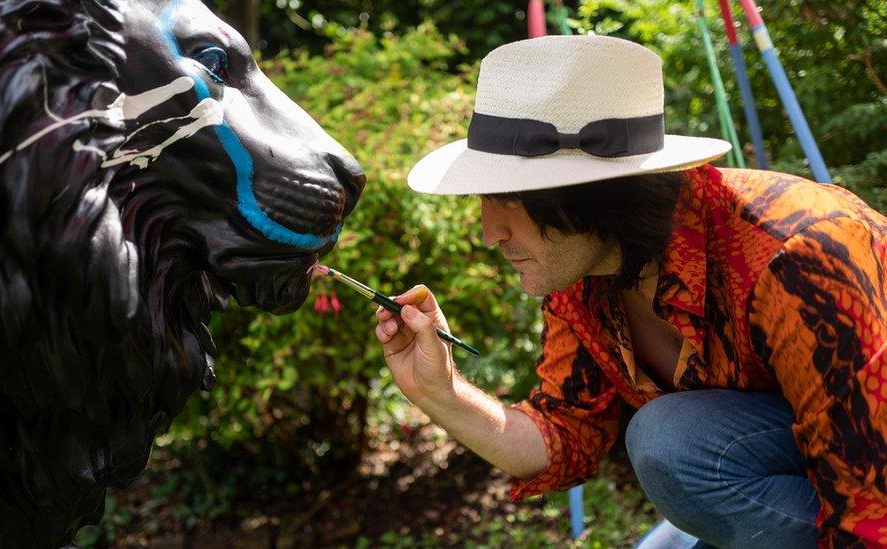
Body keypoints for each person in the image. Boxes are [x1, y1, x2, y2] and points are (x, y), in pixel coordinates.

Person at [373, 35, 887, 548]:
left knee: (668, 440)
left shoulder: (797, 256)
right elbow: (564, 436)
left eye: (507, 199)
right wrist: (441, 392)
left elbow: (870, 501)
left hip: (872, 473)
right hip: (807, 473)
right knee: (674, 454)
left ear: (598, 194)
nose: (491, 233)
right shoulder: (583, 273)